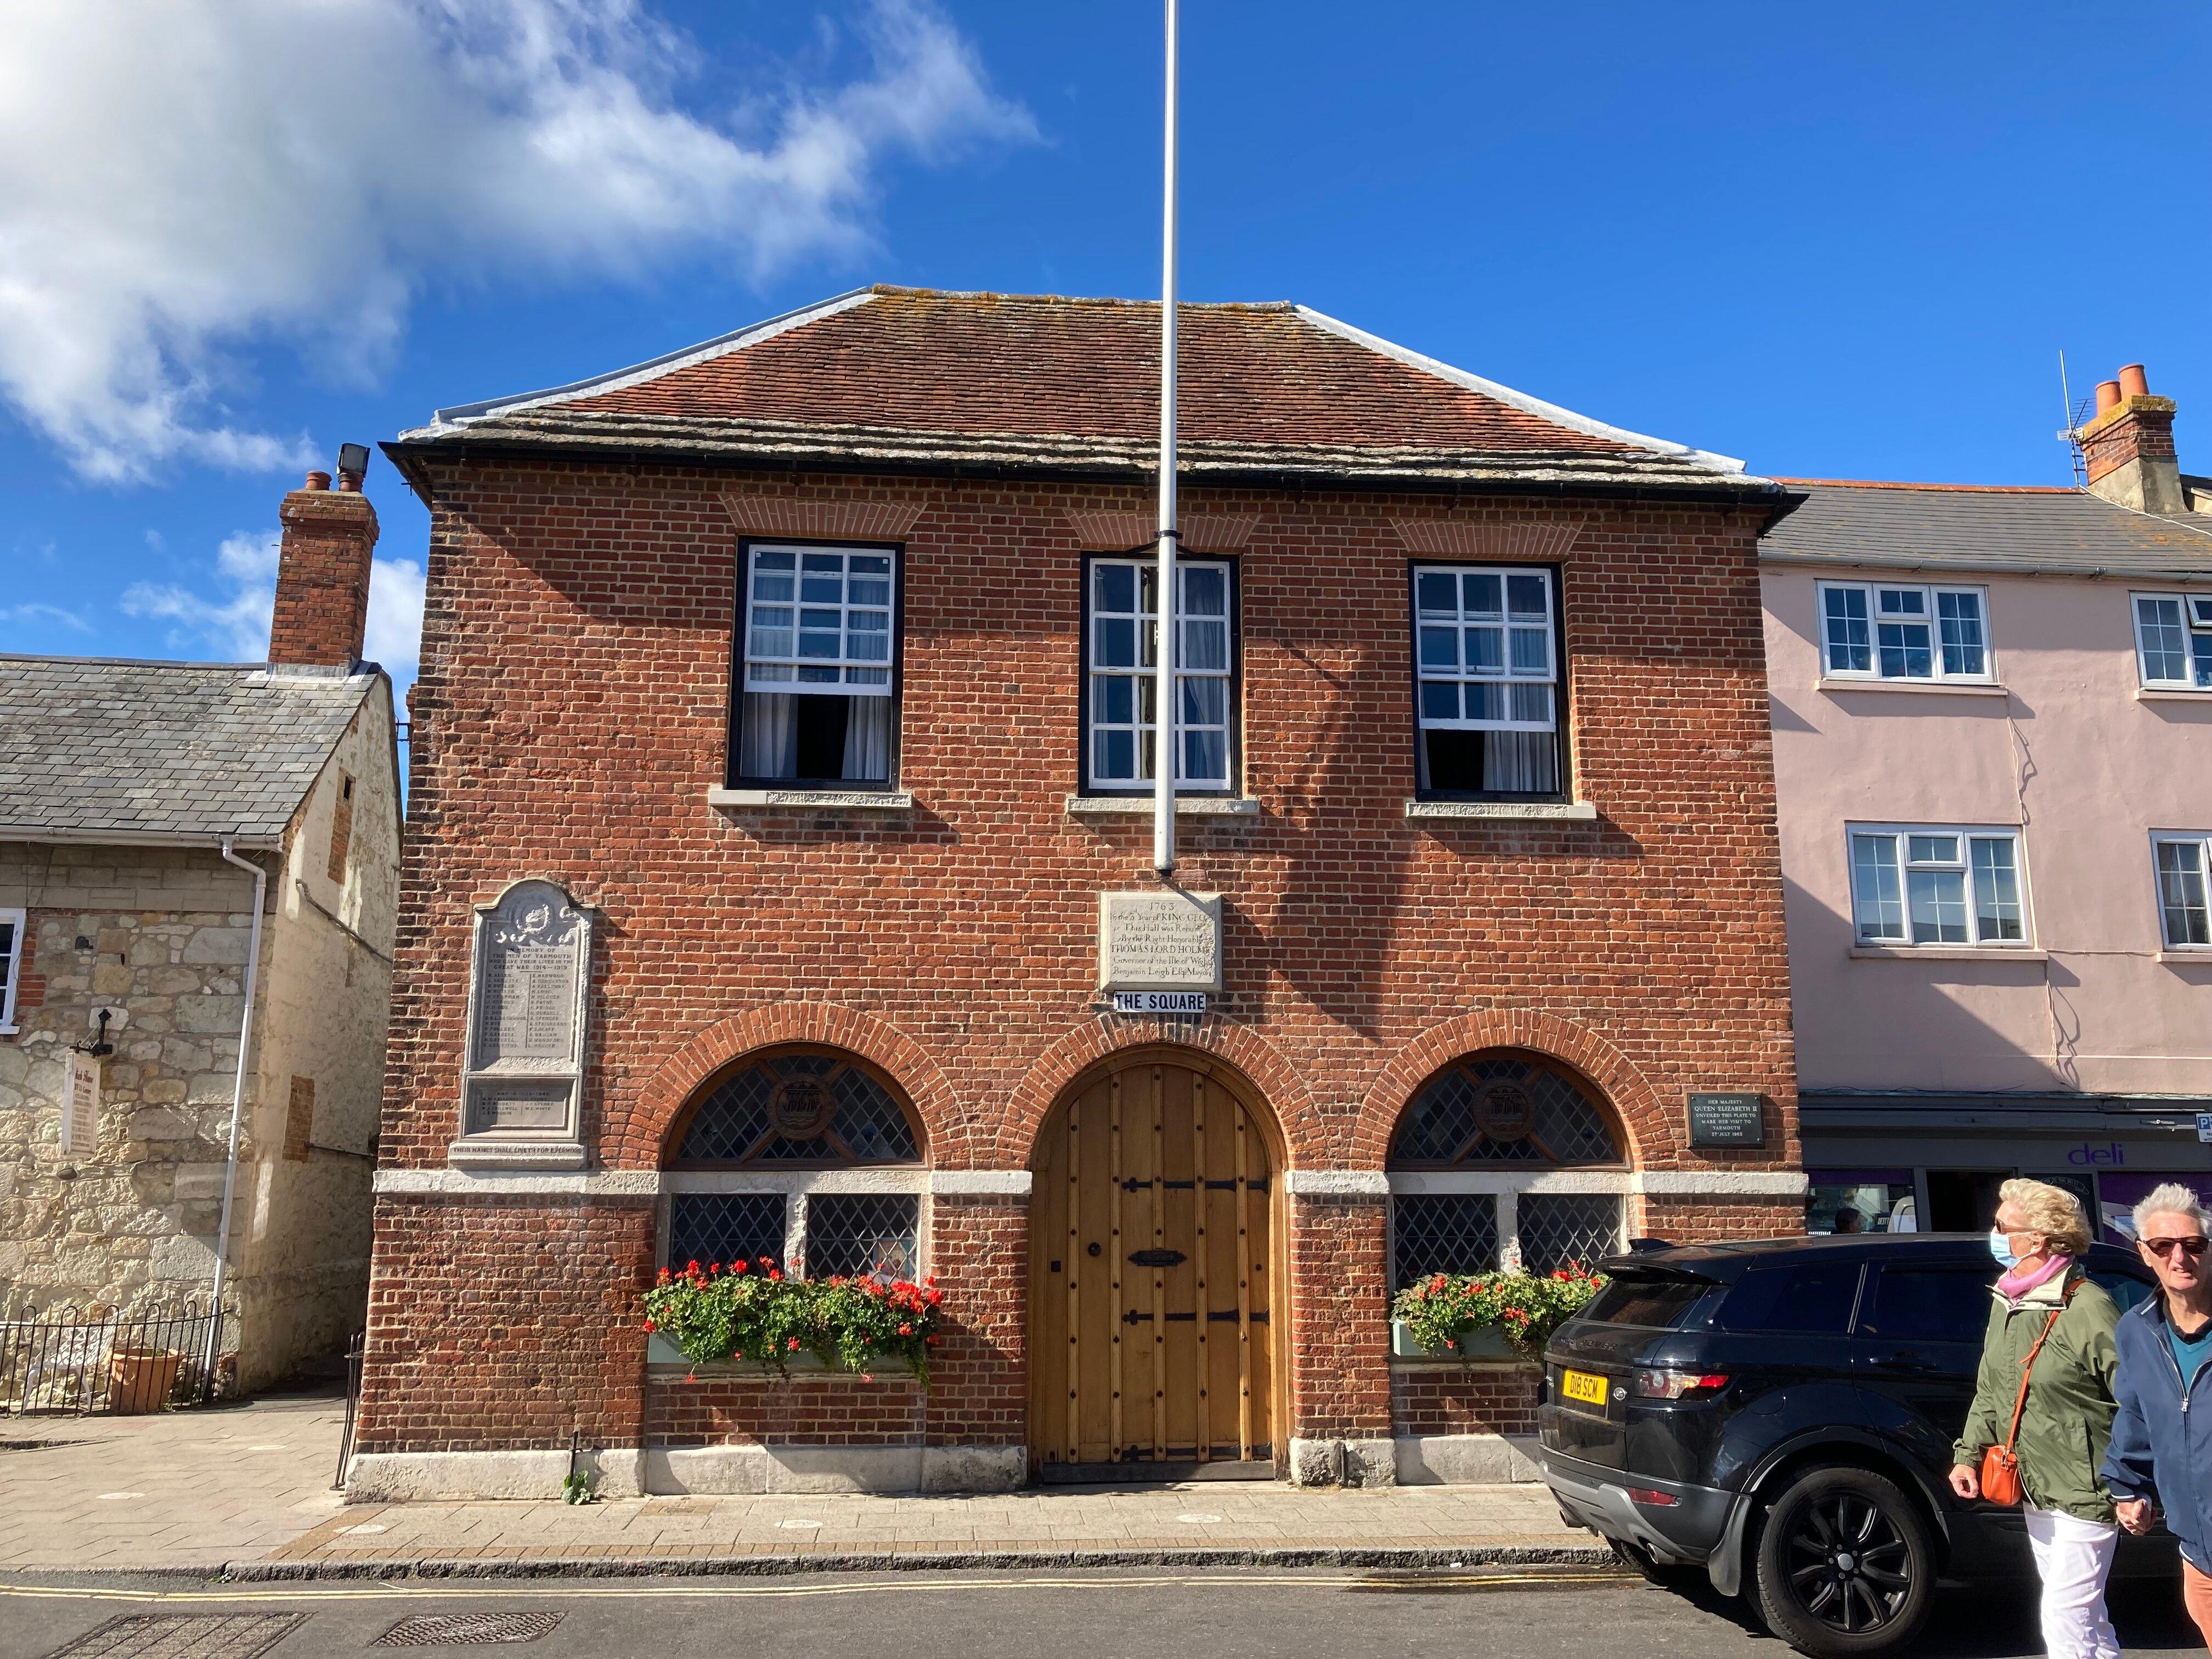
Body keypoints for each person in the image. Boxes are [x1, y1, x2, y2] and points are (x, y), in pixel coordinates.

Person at [1950, 1178, 2123, 1659]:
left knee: (2064, 1617)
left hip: (2088, 1489)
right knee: (2087, 1617)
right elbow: (1991, 1387)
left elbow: (2135, 1397)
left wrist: (2133, 1481)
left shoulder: (2087, 1306)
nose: (1994, 1234)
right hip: (2034, 1485)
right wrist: (1967, 1455)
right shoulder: (2008, 1300)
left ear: (2038, 1239)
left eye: (2003, 1226)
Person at [2102, 1183, 2212, 1649]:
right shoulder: (2137, 1330)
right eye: (2164, 1246)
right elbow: (2136, 1416)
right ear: (2144, 1253)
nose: (2180, 1258)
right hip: (2198, 1552)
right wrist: (2129, 1488)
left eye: (2193, 1244)